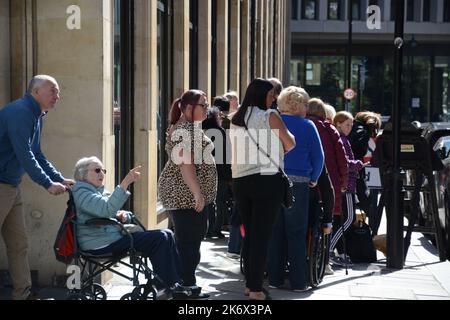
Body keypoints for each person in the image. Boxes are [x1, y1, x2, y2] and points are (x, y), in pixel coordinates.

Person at [71, 156, 190, 298]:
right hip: (100, 243)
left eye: (103, 170)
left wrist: (124, 215)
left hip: (110, 238)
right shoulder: (81, 192)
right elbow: (106, 209)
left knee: (168, 233)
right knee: (160, 238)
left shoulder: (97, 191)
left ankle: (176, 283)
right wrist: (125, 182)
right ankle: (166, 286)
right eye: (97, 170)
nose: (101, 173)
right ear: (82, 174)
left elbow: (111, 210)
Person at [0, 75, 74, 300]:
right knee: (18, 244)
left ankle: (22, 295)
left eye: (58, 92)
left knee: (19, 244)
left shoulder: (37, 115)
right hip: (2, 185)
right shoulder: (21, 112)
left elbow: (38, 154)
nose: (57, 96)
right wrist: (46, 184)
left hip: (11, 186)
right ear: (36, 92)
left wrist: (59, 179)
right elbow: (25, 154)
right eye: (53, 91)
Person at [230, 78, 295, 300]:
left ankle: (250, 284)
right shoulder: (270, 116)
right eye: (270, 95)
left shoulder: (236, 118)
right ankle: (256, 289)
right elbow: (290, 143)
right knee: (261, 236)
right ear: (260, 96)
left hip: (240, 180)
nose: (273, 99)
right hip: (267, 179)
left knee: (250, 234)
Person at [158, 89, 217, 299]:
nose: (207, 108)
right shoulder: (183, 129)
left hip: (186, 194)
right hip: (184, 195)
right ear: (189, 107)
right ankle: (185, 287)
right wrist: (198, 194)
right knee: (189, 245)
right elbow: (185, 164)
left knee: (189, 243)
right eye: (203, 105)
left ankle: (185, 284)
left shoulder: (190, 127)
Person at [267, 86, 324, 292]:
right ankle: (299, 282)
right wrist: (314, 179)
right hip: (298, 183)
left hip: (272, 179)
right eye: (306, 103)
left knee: (276, 232)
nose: (307, 107)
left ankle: (275, 279)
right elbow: (319, 158)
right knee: (297, 233)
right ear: (297, 105)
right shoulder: (308, 126)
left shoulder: (273, 121)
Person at [330, 111, 366, 265]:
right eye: (347, 125)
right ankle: (330, 248)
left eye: (351, 125)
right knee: (349, 218)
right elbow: (344, 162)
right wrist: (357, 164)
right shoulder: (341, 139)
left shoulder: (342, 138)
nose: (350, 128)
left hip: (345, 184)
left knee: (341, 219)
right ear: (338, 123)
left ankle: (332, 248)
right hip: (347, 185)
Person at [202, 106, 231, 239]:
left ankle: (208, 229)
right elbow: (225, 156)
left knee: (208, 202)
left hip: (205, 172)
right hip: (220, 173)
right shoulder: (219, 132)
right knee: (219, 202)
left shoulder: (202, 132)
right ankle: (215, 228)